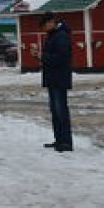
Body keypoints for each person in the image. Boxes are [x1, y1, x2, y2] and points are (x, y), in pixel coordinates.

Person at [39, 14, 73, 151]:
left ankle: (66, 142)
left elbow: (61, 58)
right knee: (55, 111)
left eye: (45, 25)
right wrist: (40, 56)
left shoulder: (61, 37)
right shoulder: (53, 35)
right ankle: (59, 140)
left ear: (52, 22)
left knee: (61, 111)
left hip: (59, 79)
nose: (44, 29)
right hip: (53, 79)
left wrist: (42, 56)